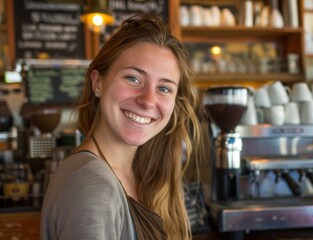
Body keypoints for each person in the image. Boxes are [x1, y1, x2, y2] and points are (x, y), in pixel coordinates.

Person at [41, 13, 209, 240]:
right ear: (98, 83)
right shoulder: (92, 185)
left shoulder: (140, 173)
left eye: (164, 88)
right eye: (133, 78)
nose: (148, 100)